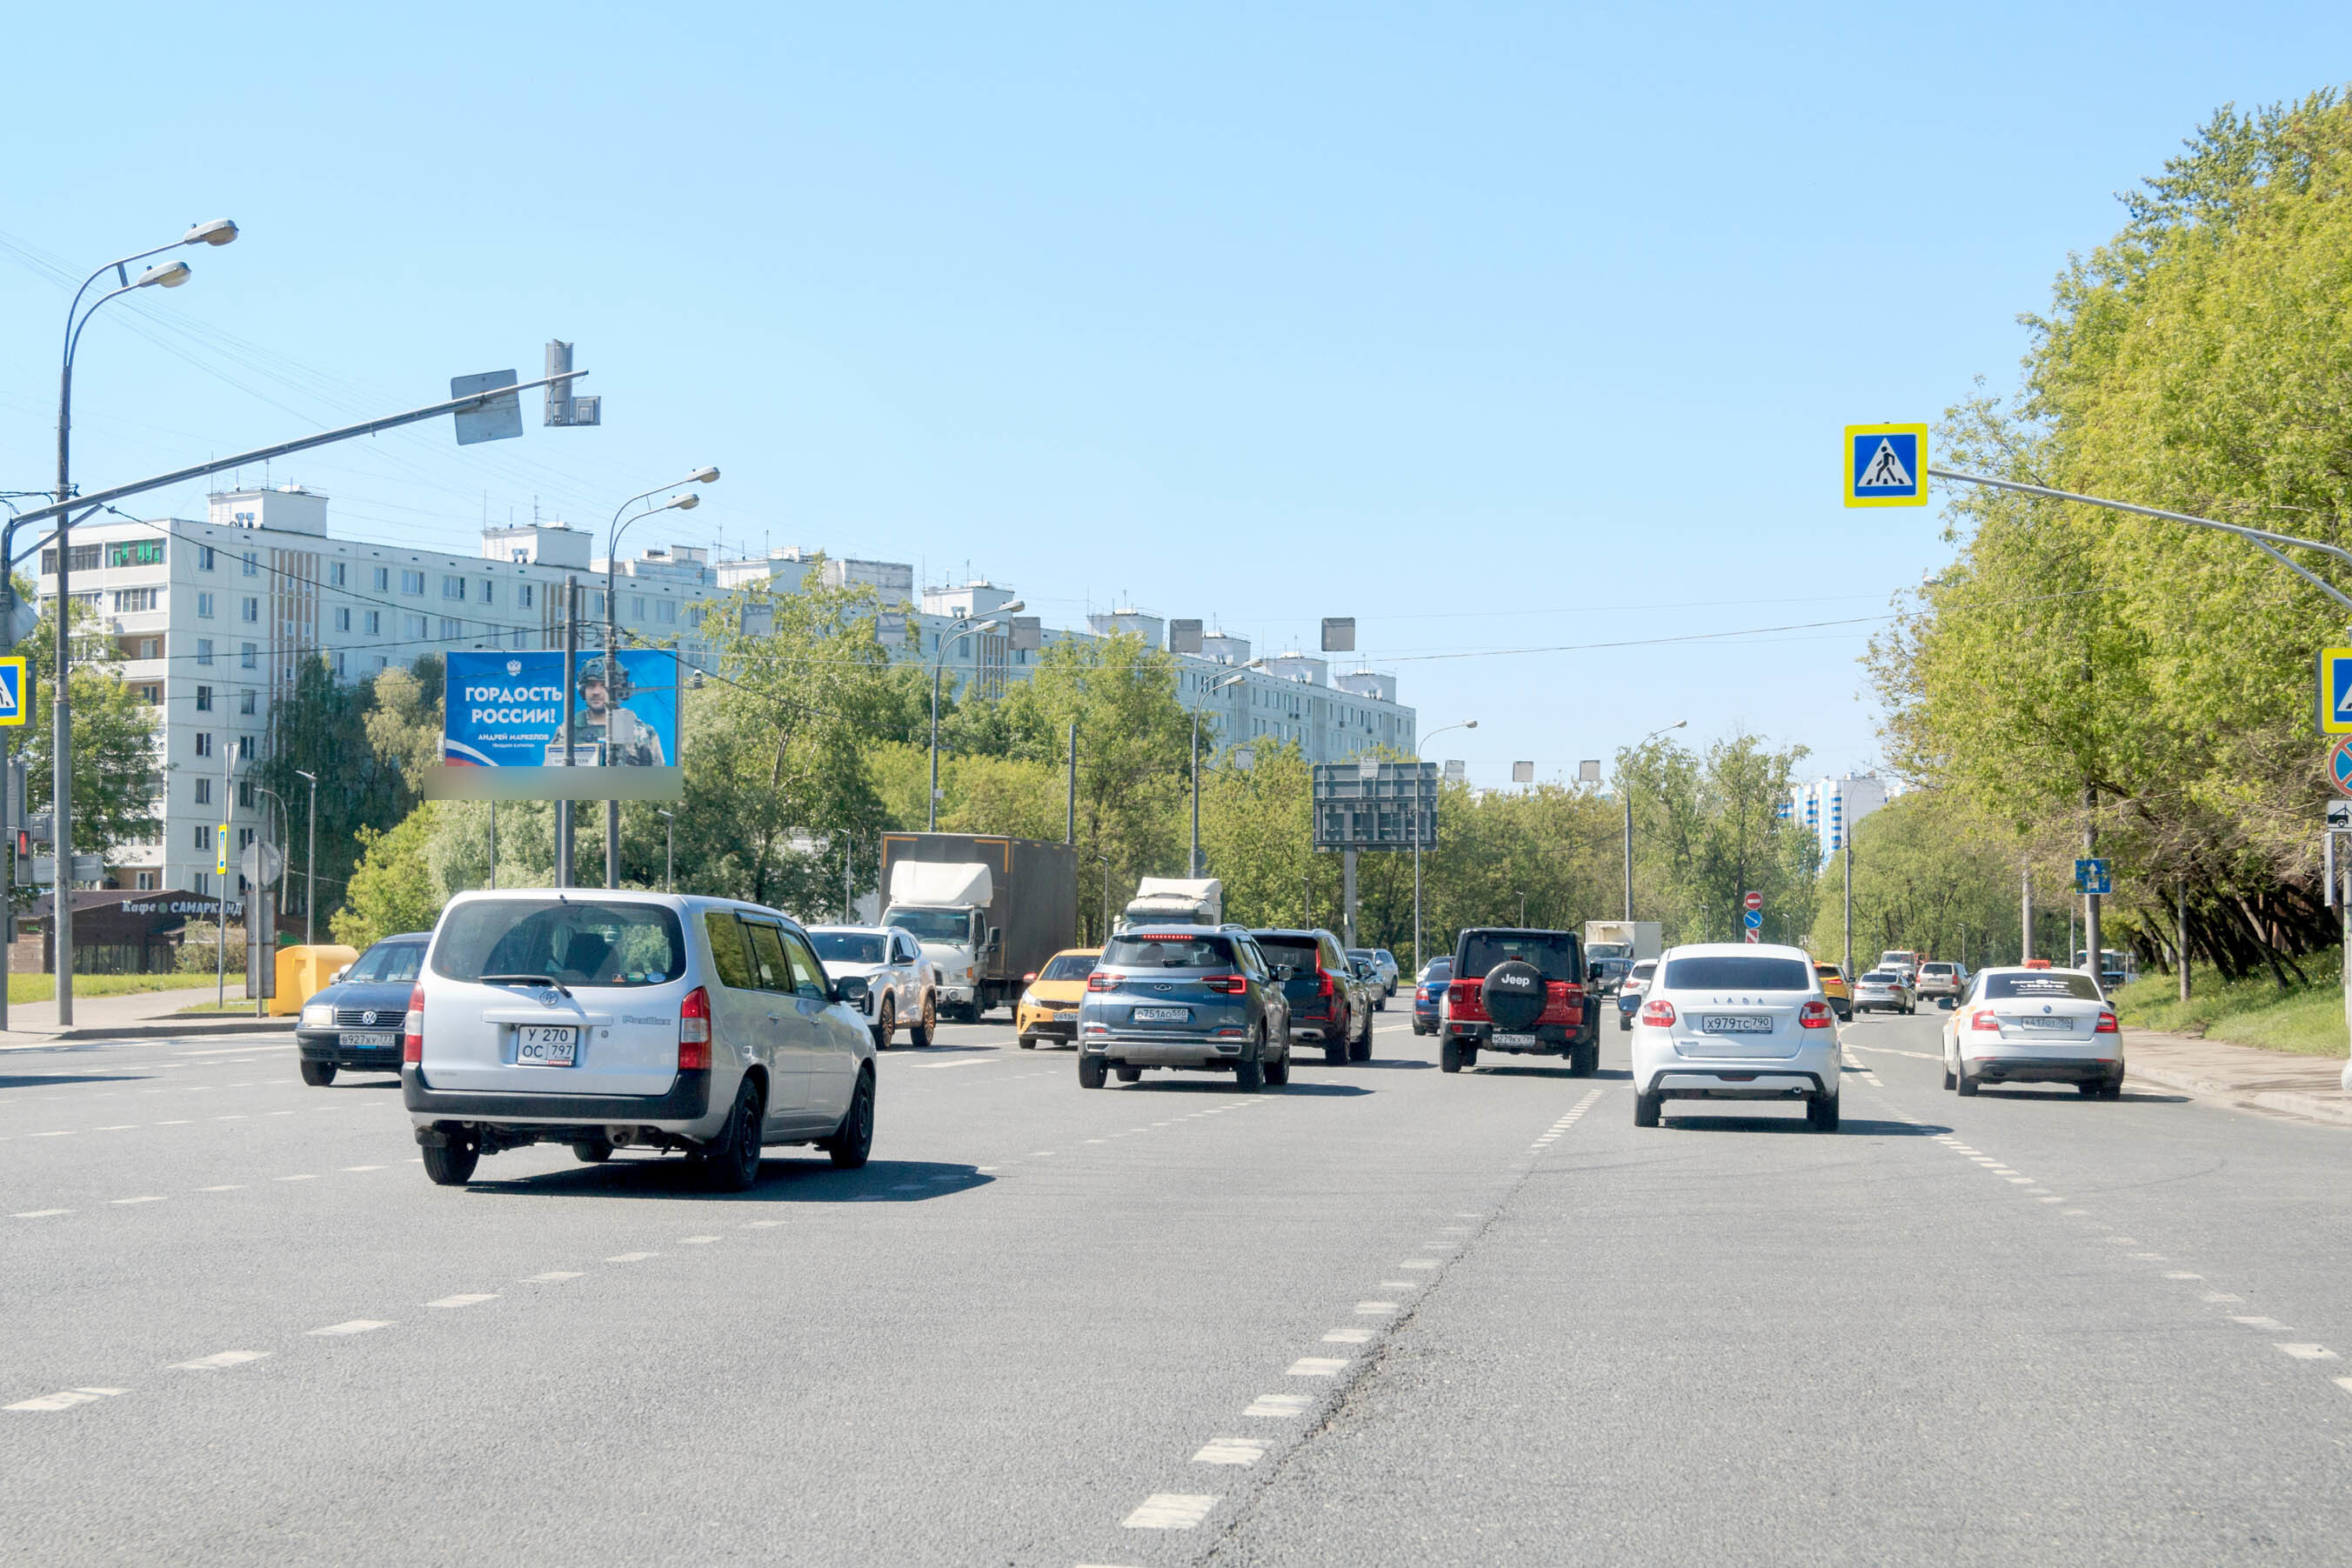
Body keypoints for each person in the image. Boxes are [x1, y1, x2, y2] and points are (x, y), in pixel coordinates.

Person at [572, 657, 667, 767]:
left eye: (604, 686)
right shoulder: (568, 731)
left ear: (619, 690)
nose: (596, 692)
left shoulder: (640, 732)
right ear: (583, 690)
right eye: (591, 686)